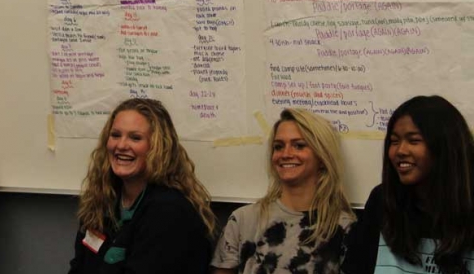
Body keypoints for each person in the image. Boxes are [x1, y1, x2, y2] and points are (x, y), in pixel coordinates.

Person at [68, 98, 217, 274]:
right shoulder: (102, 199)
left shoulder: (170, 212)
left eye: (135, 137)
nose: (121, 145)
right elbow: (78, 267)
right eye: (115, 135)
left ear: (158, 147)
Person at [211, 109, 354, 274]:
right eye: (278, 147)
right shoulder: (243, 220)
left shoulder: (343, 228)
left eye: (299, 146)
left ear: (322, 156)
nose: (285, 154)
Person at [342, 96, 474, 274]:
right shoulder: (382, 200)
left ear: (444, 147)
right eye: (394, 141)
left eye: (414, 140)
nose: (400, 151)